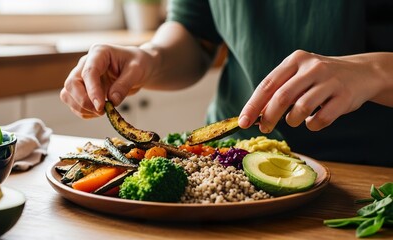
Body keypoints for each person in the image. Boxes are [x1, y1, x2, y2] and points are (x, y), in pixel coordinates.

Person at [60, 0, 393, 167]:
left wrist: (376, 71)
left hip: (371, 171)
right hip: (226, 161)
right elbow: (194, 30)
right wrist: (150, 58)